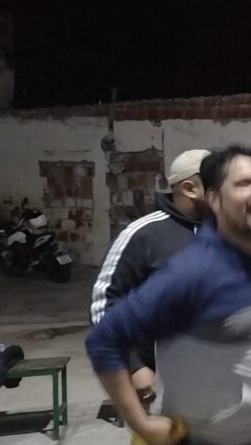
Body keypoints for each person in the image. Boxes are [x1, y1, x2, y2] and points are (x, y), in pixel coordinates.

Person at [85, 145, 251, 445]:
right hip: (204, 432)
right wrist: (141, 418)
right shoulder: (191, 268)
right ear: (213, 198)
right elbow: (104, 334)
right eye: (243, 183)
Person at [89, 149, 210, 395]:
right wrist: (134, 366)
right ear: (190, 189)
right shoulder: (142, 235)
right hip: (161, 383)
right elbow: (104, 306)